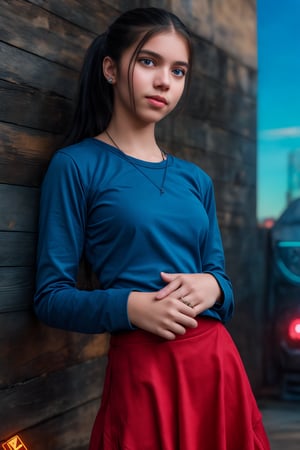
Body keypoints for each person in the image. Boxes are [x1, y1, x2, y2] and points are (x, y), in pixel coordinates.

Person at [34, 7, 270, 450]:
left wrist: (215, 290)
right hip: (145, 376)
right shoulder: (76, 166)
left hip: (216, 367)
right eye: (149, 62)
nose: (165, 81)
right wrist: (131, 308)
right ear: (110, 68)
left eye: (178, 71)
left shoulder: (195, 180)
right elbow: (50, 298)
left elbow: (220, 278)